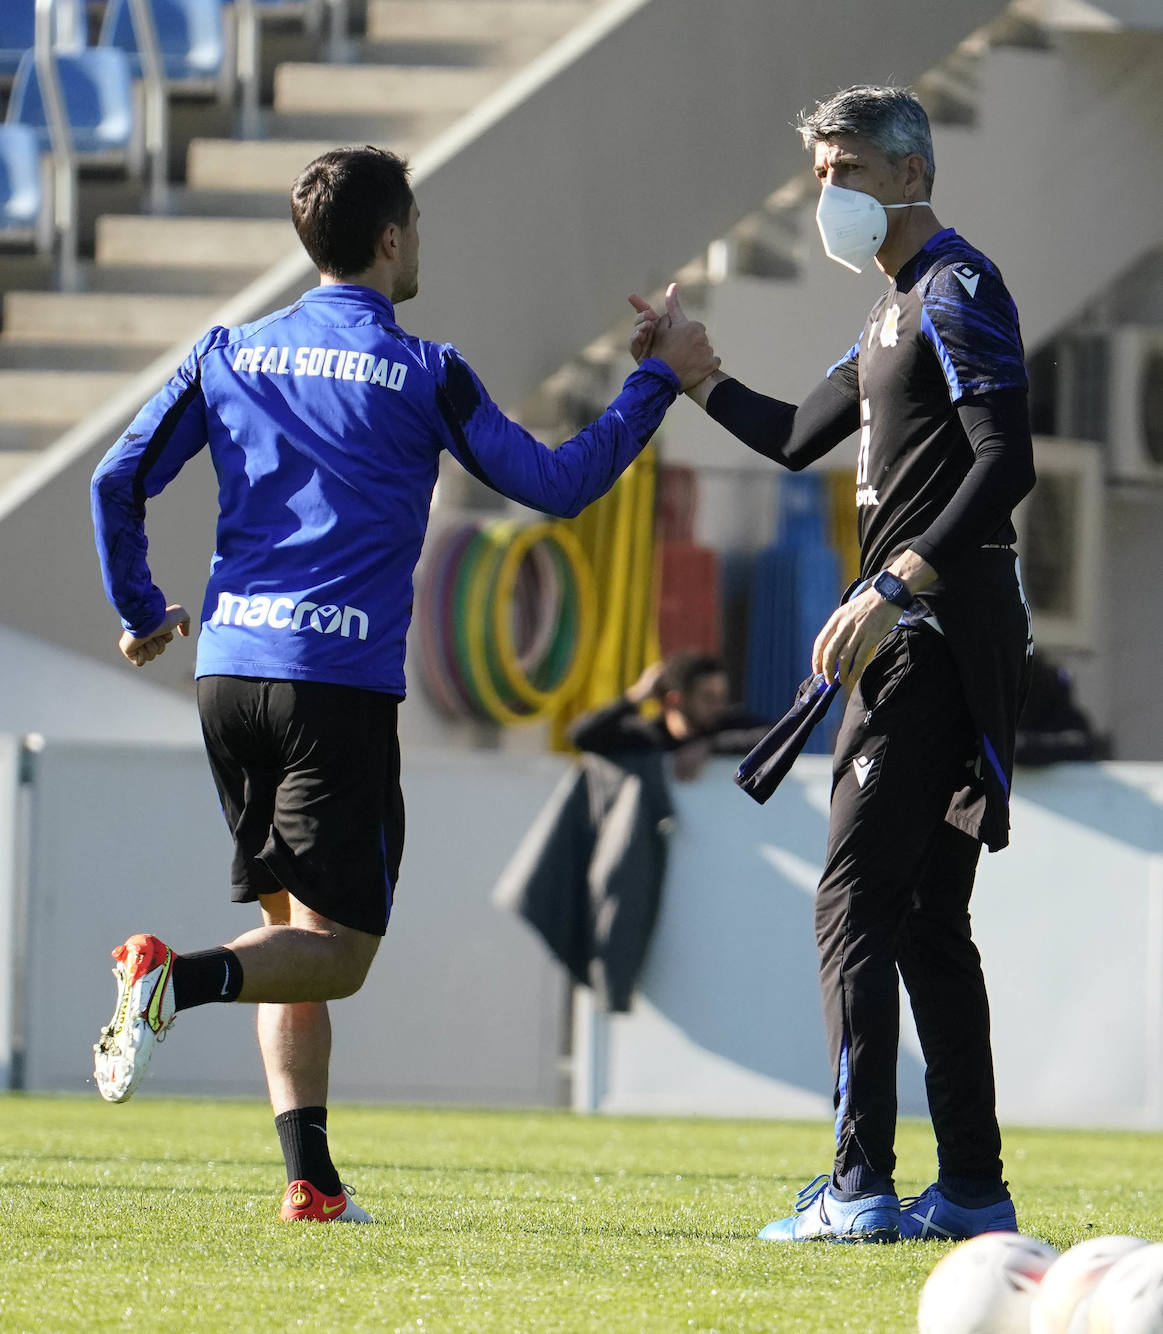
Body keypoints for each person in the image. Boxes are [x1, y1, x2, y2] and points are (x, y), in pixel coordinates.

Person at [89, 144, 718, 1223]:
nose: (419, 239)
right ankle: (168, 981)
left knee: (290, 933)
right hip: (330, 682)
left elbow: (116, 479)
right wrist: (654, 381)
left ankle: (312, 1182)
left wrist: (145, 613)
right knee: (337, 958)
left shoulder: (230, 349)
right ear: (389, 239)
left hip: (230, 669)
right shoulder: (424, 371)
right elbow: (557, 486)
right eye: (415, 223)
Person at [632, 85, 1035, 1242]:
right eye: (817, 174)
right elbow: (796, 433)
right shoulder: (887, 311)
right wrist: (692, 371)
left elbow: (1004, 460)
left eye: (847, 169)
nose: (828, 194)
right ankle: (970, 1189)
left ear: (909, 176)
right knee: (922, 922)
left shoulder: (957, 288)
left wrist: (896, 583)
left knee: (852, 897)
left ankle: (856, 1187)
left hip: (931, 637)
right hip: (924, 631)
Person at [568, 650, 770, 780]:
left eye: (721, 697)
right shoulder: (646, 736)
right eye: (708, 698)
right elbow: (581, 736)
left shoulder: (729, 724)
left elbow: (777, 737)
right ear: (675, 700)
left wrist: (711, 747)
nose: (718, 706)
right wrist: (635, 696)